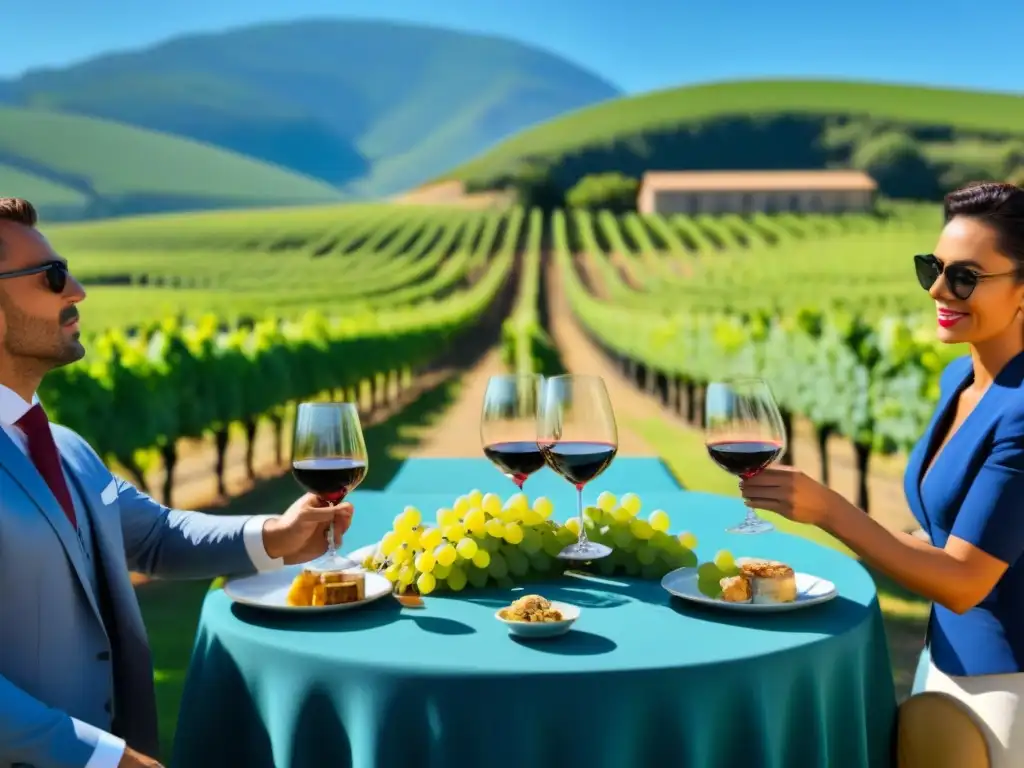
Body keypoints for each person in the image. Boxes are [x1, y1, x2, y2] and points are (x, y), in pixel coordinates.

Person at [0, 198, 356, 768]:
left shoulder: (64, 445)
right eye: (53, 277)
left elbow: (156, 535)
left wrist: (276, 535)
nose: (78, 292)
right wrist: (102, 758)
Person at [739, 181, 1024, 766]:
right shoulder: (959, 383)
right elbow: (945, 535)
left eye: (966, 276)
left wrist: (829, 512)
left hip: (1005, 683)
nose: (940, 290)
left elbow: (966, 581)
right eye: (934, 268)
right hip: (940, 660)